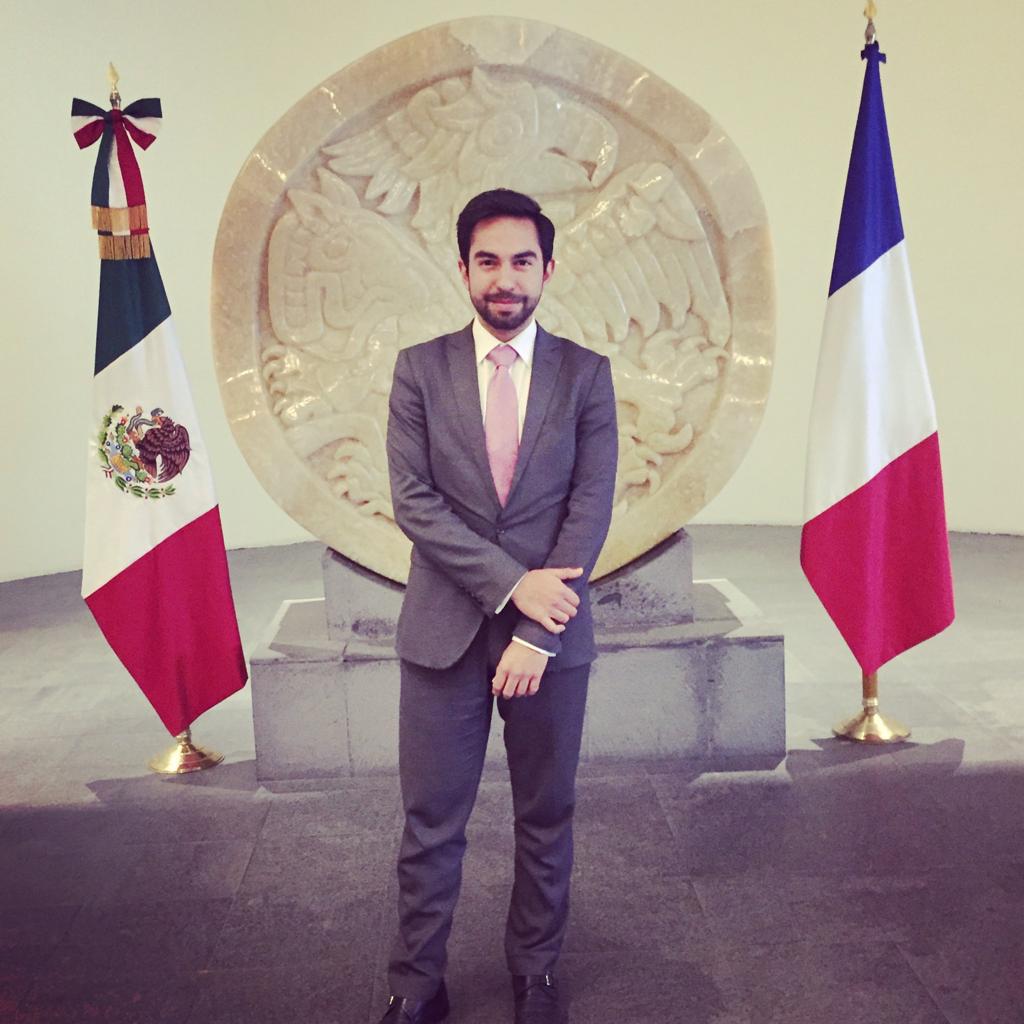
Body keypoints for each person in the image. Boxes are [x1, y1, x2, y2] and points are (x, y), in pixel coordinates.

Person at [380, 188, 618, 1024]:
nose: (505, 278)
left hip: (549, 643)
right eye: (488, 261)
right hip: (442, 632)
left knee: (546, 815)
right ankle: (416, 984)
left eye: (523, 260)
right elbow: (414, 502)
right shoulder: (420, 368)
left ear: (548, 269)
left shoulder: (588, 374)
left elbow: (588, 509)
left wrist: (536, 629)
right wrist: (513, 585)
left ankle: (536, 973)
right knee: (429, 823)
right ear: (463, 270)